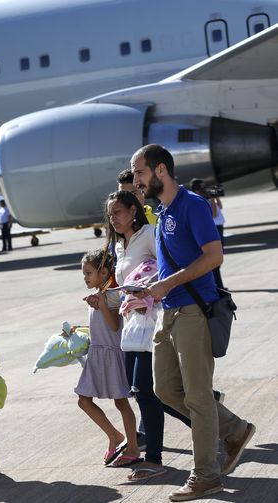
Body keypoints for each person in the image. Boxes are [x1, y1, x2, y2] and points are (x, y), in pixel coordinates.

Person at [131, 144, 255, 502]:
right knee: (165, 389)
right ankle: (234, 429)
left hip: (193, 312)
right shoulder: (162, 210)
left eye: (140, 173)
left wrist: (168, 284)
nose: (136, 181)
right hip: (167, 310)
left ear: (160, 172)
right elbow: (172, 263)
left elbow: (214, 256)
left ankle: (206, 477)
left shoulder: (192, 205)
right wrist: (149, 290)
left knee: (199, 397)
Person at [74, 248, 141, 467]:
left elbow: (114, 326)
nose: (85, 277)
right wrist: (80, 329)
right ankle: (114, 435)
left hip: (112, 354)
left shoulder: (111, 295)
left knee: (121, 403)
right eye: (84, 273)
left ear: (103, 273)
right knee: (84, 400)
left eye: (88, 273)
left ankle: (132, 446)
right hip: (97, 354)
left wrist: (101, 303)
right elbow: (100, 325)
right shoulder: (99, 294)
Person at [189, 179, 226, 290]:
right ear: (196, 190)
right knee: (215, 260)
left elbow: (221, 207)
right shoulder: (200, 201)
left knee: (218, 259)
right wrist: (211, 200)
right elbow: (214, 214)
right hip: (215, 227)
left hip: (219, 226)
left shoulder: (207, 198)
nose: (204, 190)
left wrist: (215, 197)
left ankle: (218, 285)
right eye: (201, 188)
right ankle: (218, 286)